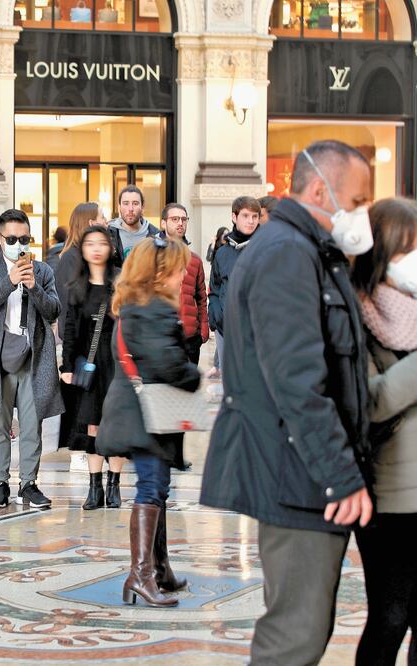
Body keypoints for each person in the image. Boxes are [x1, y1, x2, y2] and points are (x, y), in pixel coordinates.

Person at [200, 140, 374, 664]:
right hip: (296, 472)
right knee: (294, 635)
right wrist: (339, 475)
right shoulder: (286, 253)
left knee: (308, 624)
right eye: (359, 198)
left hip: (303, 470)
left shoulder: (306, 249)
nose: (362, 211)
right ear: (321, 189)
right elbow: (296, 381)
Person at [97, 236, 200, 607]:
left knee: (157, 488)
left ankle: (159, 569)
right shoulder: (153, 308)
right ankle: (142, 575)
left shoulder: (132, 306)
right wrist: (197, 378)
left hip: (140, 412)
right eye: (177, 269)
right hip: (147, 416)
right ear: (159, 274)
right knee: (152, 488)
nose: (181, 276)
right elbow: (167, 364)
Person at [351, 197, 417, 666]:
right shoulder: (358, 310)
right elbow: (367, 402)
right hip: (392, 495)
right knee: (390, 617)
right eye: (407, 249)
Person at [0, 209, 63, 509]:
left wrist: (33, 286)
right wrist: (9, 281)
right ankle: (0, 482)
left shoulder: (42, 271)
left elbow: (54, 310)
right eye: (12, 239)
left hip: (34, 358)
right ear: (0, 238)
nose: (19, 244)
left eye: (24, 238)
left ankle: (29, 483)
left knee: (32, 425)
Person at [59, 226, 126, 509]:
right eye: (90, 244)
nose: (96, 249)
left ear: (111, 248)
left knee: (118, 424)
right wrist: (66, 365)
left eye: (102, 243)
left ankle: (115, 484)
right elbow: (71, 329)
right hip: (90, 366)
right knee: (93, 425)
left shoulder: (123, 283)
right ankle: (94, 486)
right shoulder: (77, 287)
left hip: (119, 364)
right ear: (83, 249)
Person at [208, 196, 260, 369]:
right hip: (225, 330)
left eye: (255, 216)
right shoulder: (222, 253)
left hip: (257, 333)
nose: (251, 221)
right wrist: (216, 316)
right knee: (229, 385)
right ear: (234, 217)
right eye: (245, 216)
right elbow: (214, 288)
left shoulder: (267, 248)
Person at [158, 203, 208, 365]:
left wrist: (203, 331)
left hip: (190, 338)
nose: (180, 223)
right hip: (162, 337)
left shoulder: (195, 260)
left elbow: (201, 298)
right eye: (174, 219)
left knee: (188, 388)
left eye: (183, 219)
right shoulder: (151, 255)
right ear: (163, 223)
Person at [55, 203, 106, 341]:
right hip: (81, 343)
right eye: (102, 217)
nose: (106, 221)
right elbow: (67, 306)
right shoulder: (71, 258)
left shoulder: (91, 256)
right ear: (92, 223)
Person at [108, 185, 160, 266]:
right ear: (119, 207)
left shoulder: (155, 235)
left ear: (142, 207)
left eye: (135, 203)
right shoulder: (108, 233)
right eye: (126, 203)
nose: (130, 209)